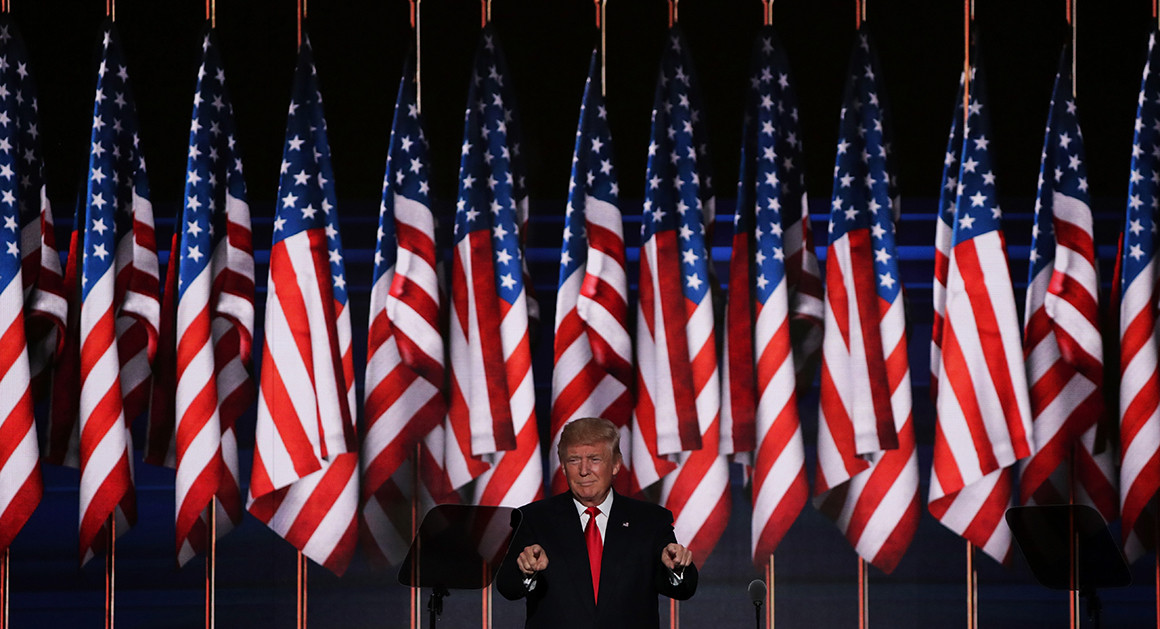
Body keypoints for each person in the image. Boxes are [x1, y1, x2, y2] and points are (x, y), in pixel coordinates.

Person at [496, 417, 697, 628]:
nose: (584, 470)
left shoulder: (650, 521)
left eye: (594, 459)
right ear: (563, 467)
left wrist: (677, 569)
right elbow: (508, 587)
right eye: (574, 460)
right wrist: (526, 571)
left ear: (616, 464)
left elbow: (683, 590)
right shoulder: (534, 519)